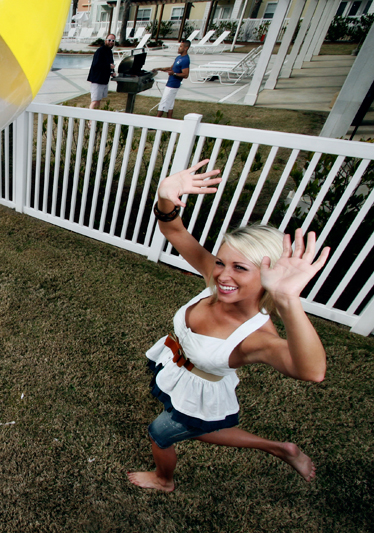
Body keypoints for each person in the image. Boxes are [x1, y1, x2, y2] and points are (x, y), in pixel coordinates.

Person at [127, 160, 330, 493]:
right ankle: (279, 448)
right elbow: (174, 230)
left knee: (161, 434)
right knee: (193, 425)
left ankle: (164, 480)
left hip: (202, 390)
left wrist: (288, 300)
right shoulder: (216, 279)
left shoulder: (256, 337)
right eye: (221, 262)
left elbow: (312, 371)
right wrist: (165, 196)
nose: (223, 275)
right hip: (179, 369)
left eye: (240, 268)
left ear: (268, 276)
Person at [152, 40, 190, 118]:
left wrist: (174, 74)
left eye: (181, 46)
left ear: (186, 48)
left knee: (164, 102)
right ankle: (169, 121)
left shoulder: (185, 60)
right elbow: (171, 68)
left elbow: (186, 75)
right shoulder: (179, 57)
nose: (179, 48)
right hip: (170, 83)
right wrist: (159, 68)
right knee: (170, 104)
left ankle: (155, 122)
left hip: (173, 85)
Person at [87, 33, 116, 111]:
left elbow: (111, 64)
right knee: (94, 101)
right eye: (109, 40)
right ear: (105, 40)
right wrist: (108, 66)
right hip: (97, 80)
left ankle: (95, 119)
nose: (111, 42)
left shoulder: (109, 52)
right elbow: (96, 65)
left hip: (104, 80)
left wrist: (112, 72)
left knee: (99, 100)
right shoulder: (100, 51)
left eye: (113, 40)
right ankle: (90, 121)